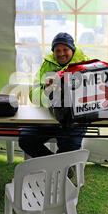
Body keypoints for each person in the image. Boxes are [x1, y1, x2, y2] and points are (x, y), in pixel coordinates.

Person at [18, 32, 89, 175]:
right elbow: (33, 93)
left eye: (65, 50)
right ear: (53, 52)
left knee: (68, 147)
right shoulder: (46, 65)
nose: (61, 53)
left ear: (72, 50)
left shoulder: (86, 64)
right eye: (58, 50)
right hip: (49, 118)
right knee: (25, 139)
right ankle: (59, 169)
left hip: (74, 120)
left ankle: (59, 170)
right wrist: (48, 93)